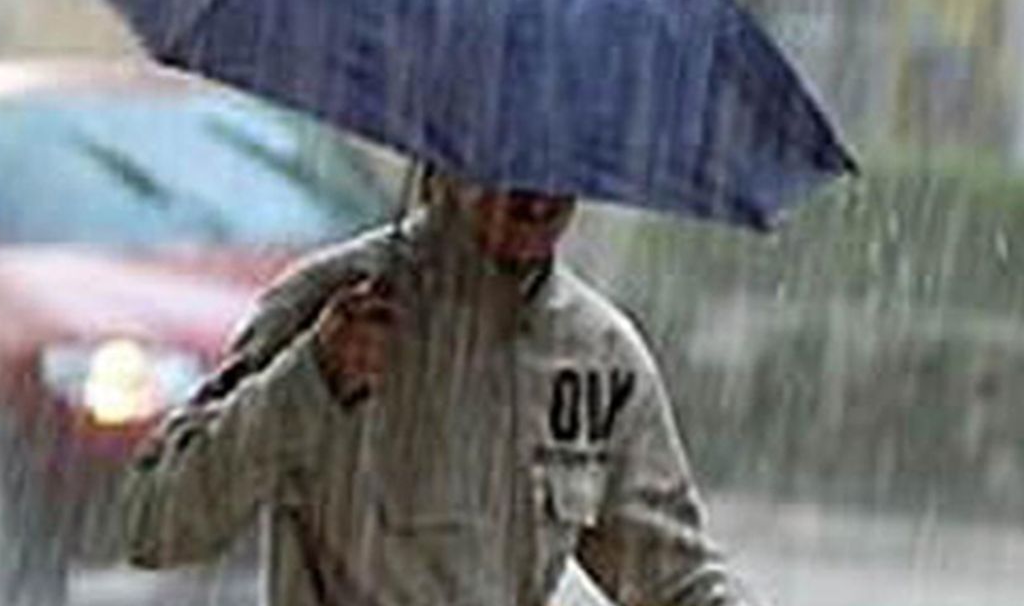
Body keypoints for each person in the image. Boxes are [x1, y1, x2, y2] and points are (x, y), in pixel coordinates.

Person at [121, 168, 759, 606]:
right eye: (509, 158)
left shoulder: (598, 353)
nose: (538, 194)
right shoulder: (329, 305)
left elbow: (673, 579)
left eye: (558, 165)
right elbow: (158, 520)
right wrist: (310, 376)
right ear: (445, 159)